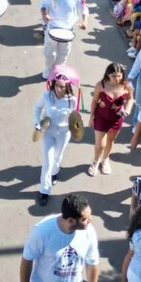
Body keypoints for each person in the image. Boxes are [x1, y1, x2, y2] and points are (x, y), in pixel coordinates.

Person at [32, 65, 80, 206]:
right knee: (47, 161)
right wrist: (37, 122)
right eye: (58, 86)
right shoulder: (46, 95)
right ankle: (44, 191)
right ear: (54, 84)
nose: (60, 89)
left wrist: (78, 123)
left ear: (68, 87)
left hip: (64, 133)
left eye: (63, 87)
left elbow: (75, 116)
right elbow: (37, 108)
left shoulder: (72, 100)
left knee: (57, 158)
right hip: (48, 132)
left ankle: (55, 172)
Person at [40, 0, 88, 78]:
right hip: (52, 28)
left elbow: (84, 9)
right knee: (48, 53)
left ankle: (57, 72)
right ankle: (48, 70)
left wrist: (85, 21)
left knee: (63, 54)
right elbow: (43, 6)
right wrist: (44, 15)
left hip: (67, 30)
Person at [89, 62, 134, 176]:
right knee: (100, 144)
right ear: (108, 74)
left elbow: (130, 99)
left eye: (119, 75)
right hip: (101, 116)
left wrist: (127, 110)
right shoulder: (101, 85)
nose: (117, 78)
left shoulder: (126, 85)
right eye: (114, 76)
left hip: (116, 118)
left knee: (110, 141)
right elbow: (94, 101)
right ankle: (95, 161)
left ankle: (105, 160)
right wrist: (91, 117)